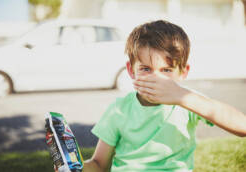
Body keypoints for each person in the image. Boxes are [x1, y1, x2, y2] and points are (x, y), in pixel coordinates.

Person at [56, 20, 246, 172]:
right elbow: (99, 164)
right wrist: (75, 167)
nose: (156, 78)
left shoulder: (188, 100)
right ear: (131, 70)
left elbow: (242, 126)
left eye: (166, 70)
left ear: (183, 72)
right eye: (146, 69)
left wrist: (183, 96)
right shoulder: (119, 109)